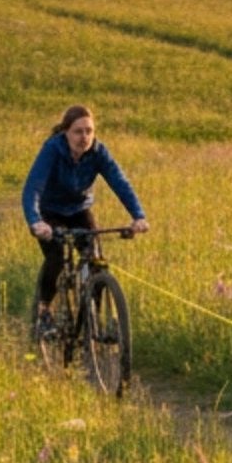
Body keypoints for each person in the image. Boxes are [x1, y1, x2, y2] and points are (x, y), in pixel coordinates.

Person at [21, 105, 149, 333]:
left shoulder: (99, 152)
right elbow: (33, 188)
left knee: (96, 261)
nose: (84, 137)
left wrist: (138, 216)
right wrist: (36, 221)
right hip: (49, 212)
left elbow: (120, 183)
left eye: (89, 131)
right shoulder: (52, 149)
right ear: (66, 132)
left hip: (79, 210)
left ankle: (92, 319)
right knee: (57, 257)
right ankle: (44, 311)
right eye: (78, 131)